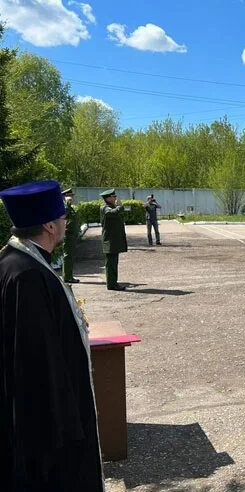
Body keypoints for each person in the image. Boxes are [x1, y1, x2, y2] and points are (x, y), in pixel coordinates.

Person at [0, 180, 104, 492]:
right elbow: (40, 364)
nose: (65, 224)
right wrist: (67, 430)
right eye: (62, 219)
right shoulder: (29, 276)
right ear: (48, 225)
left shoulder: (13, 261)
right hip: (47, 433)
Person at [100, 188, 128, 291]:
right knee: (111, 264)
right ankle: (111, 284)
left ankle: (113, 283)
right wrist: (120, 206)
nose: (115, 198)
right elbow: (110, 213)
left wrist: (118, 207)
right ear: (108, 198)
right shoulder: (105, 207)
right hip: (110, 241)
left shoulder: (112, 207)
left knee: (114, 263)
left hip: (113, 240)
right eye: (113, 196)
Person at [61, 188, 80, 283]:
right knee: (68, 256)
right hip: (68, 235)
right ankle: (67, 277)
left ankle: (69, 276)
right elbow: (64, 215)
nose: (72, 197)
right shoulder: (64, 206)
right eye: (70, 196)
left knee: (70, 256)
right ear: (65, 196)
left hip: (72, 235)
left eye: (72, 196)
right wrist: (67, 204)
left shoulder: (69, 207)